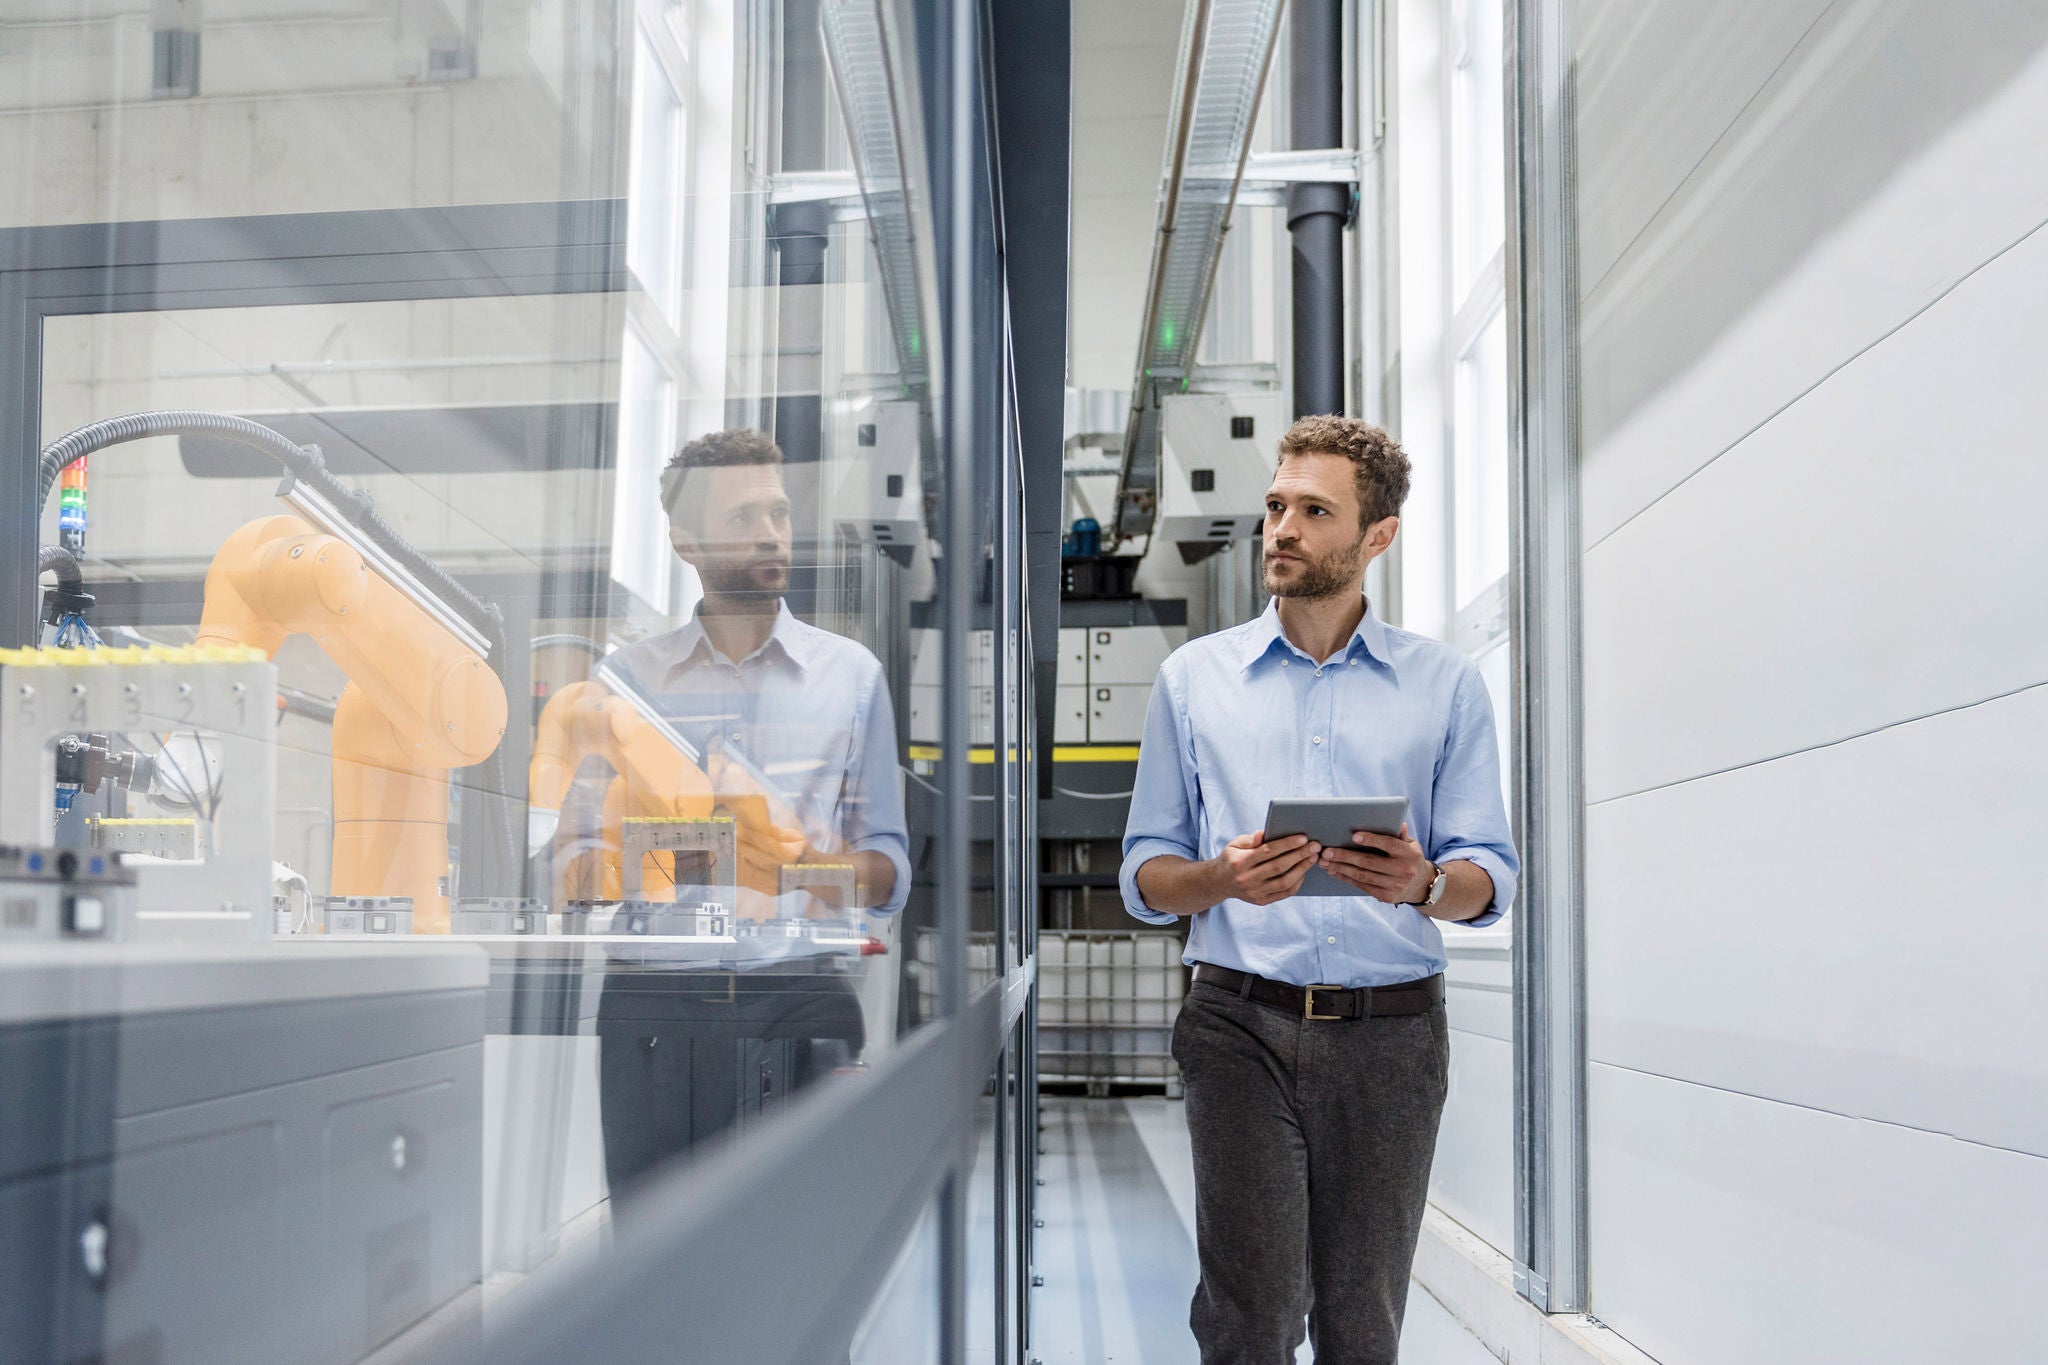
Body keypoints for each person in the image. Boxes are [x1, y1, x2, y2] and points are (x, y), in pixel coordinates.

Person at [1120, 414, 1519, 1364]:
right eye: (1275, 506)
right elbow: (1144, 873)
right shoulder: (1192, 682)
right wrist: (1220, 877)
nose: (1282, 529)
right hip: (1238, 1025)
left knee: (1360, 1323)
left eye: (1313, 511)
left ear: (1376, 536)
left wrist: (1422, 882)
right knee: (1250, 1319)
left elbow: (1489, 878)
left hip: (1394, 1037)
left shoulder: (1446, 686)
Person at [592, 427, 910, 1205]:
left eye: (779, 512)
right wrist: (696, 847)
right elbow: (582, 860)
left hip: (800, 994)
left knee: (806, 1262)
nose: (771, 532)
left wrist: (797, 866)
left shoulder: (852, 679)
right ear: (685, 540)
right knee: (653, 1264)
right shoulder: (626, 683)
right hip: (657, 1008)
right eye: (743, 517)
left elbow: (890, 870)